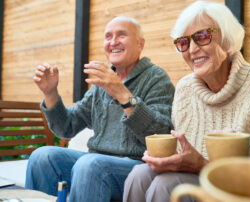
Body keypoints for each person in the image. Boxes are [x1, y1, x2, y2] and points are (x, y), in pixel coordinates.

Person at [123, 1, 250, 202]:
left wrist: (200, 164)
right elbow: (184, 158)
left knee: (166, 185)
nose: (192, 49)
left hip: (241, 191)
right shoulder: (185, 88)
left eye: (202, 37)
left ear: (227, 39)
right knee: (138, 175)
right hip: (195, 176)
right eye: (184, 42)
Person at [26, 16, 175, 202]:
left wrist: (122, 94)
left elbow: (160, 133)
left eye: (121, 35)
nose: (113, 42)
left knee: (90, 164)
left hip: (137, 168)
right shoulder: (100, 84)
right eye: (108, 37)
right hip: (95, 164)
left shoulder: (157, 78)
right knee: (42, 156)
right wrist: (50, 93)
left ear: (140, 44)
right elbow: (67, 128)